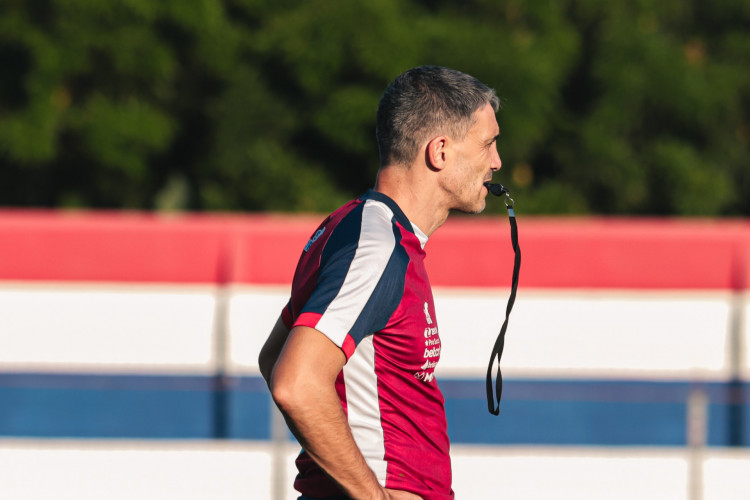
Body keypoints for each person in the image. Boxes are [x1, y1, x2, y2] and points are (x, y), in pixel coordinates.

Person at [259, 65, 502, 500]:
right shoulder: (376, 246)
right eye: (487, 144)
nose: (497, 162)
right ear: (440, 151)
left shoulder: (361, 230)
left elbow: (273, 356)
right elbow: (295, 381)